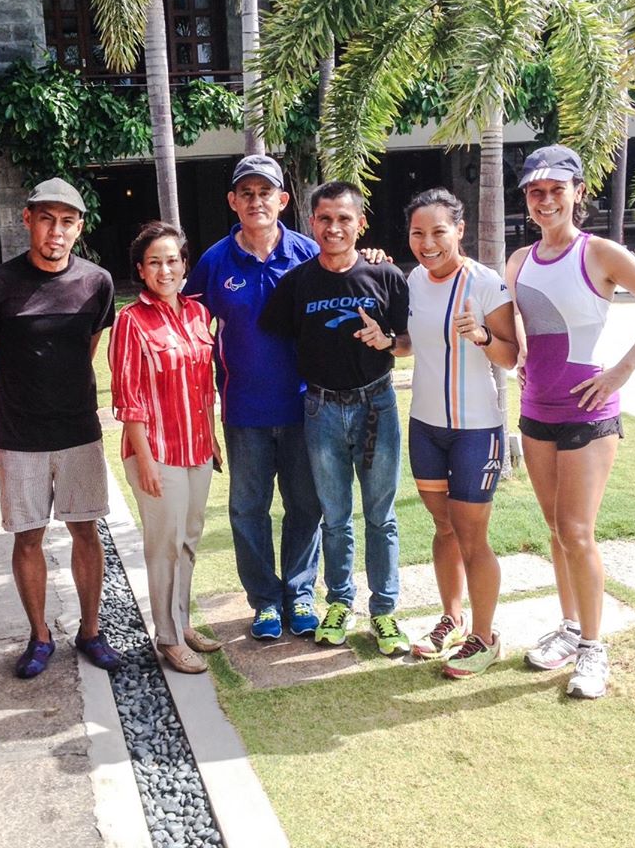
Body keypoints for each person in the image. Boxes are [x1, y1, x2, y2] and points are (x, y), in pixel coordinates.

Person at [507, 145, 635, 699]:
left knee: (578, 531)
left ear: (578, 192)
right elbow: (522, 325)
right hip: (536, 411)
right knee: (556, 529)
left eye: (556, 190)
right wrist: (520, 355)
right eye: (536, 191)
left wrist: (621, 371)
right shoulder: (519, 260)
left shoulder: (601, 252)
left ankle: (592, 648)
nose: (545, 200)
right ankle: (568, 629)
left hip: (589, 413)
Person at [0, 178, 122, 678]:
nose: (56, 231)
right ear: (28, 220)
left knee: (86, 530)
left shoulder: (97, 282)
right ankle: (39, 637)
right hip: (19, 435)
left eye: (67, 222)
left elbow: (87, 349)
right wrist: (28, 395)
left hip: (78, 430)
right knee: (28, 537)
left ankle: (91, 632)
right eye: (46, 219)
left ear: (79, 228)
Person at [259, 181, 411, 653]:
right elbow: (276, 336)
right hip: (321, 409)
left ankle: (384, 611)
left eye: (344, 218)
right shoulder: (297, 282)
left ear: (360, 223)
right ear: (312, 223)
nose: (334, 227)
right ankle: (340, 603)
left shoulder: (386, 276)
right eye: (325, 218)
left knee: (381, 516)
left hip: (376, 406)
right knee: (336, 517)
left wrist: (388, 342)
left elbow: (408, 341)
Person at [183, 155, 324, 640]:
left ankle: (300, 594)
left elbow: (347, 285)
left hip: (305, 407)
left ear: (282, 200)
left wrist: (375, 259)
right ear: (233, 201)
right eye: (247, 193)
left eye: (266, 193)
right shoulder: (215, 261)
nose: (256, 201)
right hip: (243, 410)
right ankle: (264, 600)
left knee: (305, 505)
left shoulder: (308, 253)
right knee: (248, 510)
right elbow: (189, 327)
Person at [403, 189, 519, 678]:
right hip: (425, 426)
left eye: (438, 232)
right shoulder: (413, 279)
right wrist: (387, 341)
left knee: (472, 536)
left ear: (460, 230)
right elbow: (412, 343)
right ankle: (452, 619)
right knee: (443, 527)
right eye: (418, 233)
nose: (428, 243)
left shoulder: (486, 284)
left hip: (475, 431)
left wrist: (483, 336)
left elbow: (511, 356)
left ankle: (486, 638)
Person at [109, 222, 222, 674]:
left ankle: (183, 621)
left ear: (184, 264)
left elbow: (205, 384)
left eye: (172, 260)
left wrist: (212, 437)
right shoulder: (131, 321)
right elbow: (128, 399)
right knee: (165, 547)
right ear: (140, 269)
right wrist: (146, 461)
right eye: (154, 262)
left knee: (189, 539)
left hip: (197, 448)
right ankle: (169, 638)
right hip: (157, 452)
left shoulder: (198, 313)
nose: (165, 269)